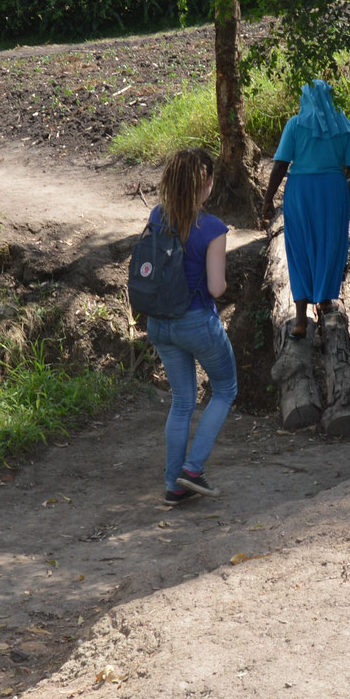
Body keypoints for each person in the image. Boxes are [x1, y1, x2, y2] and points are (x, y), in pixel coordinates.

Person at [145, 149, 237, 504]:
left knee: (182, 401)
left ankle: (174, 485)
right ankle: (193, 469)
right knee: (225, 388)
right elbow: (216, 288)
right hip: (197, 322)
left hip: (160, 324)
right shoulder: (212, 229)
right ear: (208, 184)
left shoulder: (157, 216)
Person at [261, 79, 350, 340]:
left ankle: (301, 319)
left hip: (300, 193)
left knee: (299, 247)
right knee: (330, 244)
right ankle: (325, 300)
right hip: (332, 192)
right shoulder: (343, 126)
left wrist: (267, 199)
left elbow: (280, 164)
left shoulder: (296, 124)